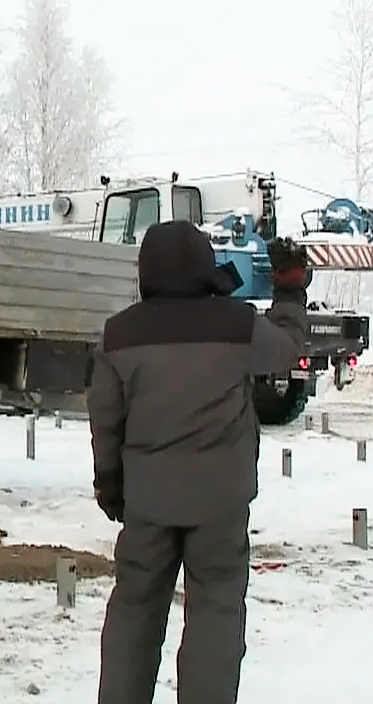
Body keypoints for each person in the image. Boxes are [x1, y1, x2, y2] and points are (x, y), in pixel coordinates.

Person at [87, 219, 302, 704]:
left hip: (148, 503)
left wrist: (113, 488)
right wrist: (288, 294)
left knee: (134, 615)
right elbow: (287, 351)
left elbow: (106, 419)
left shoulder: (119, 335)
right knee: (216, 615)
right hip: (221, 504)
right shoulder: (235, 323)